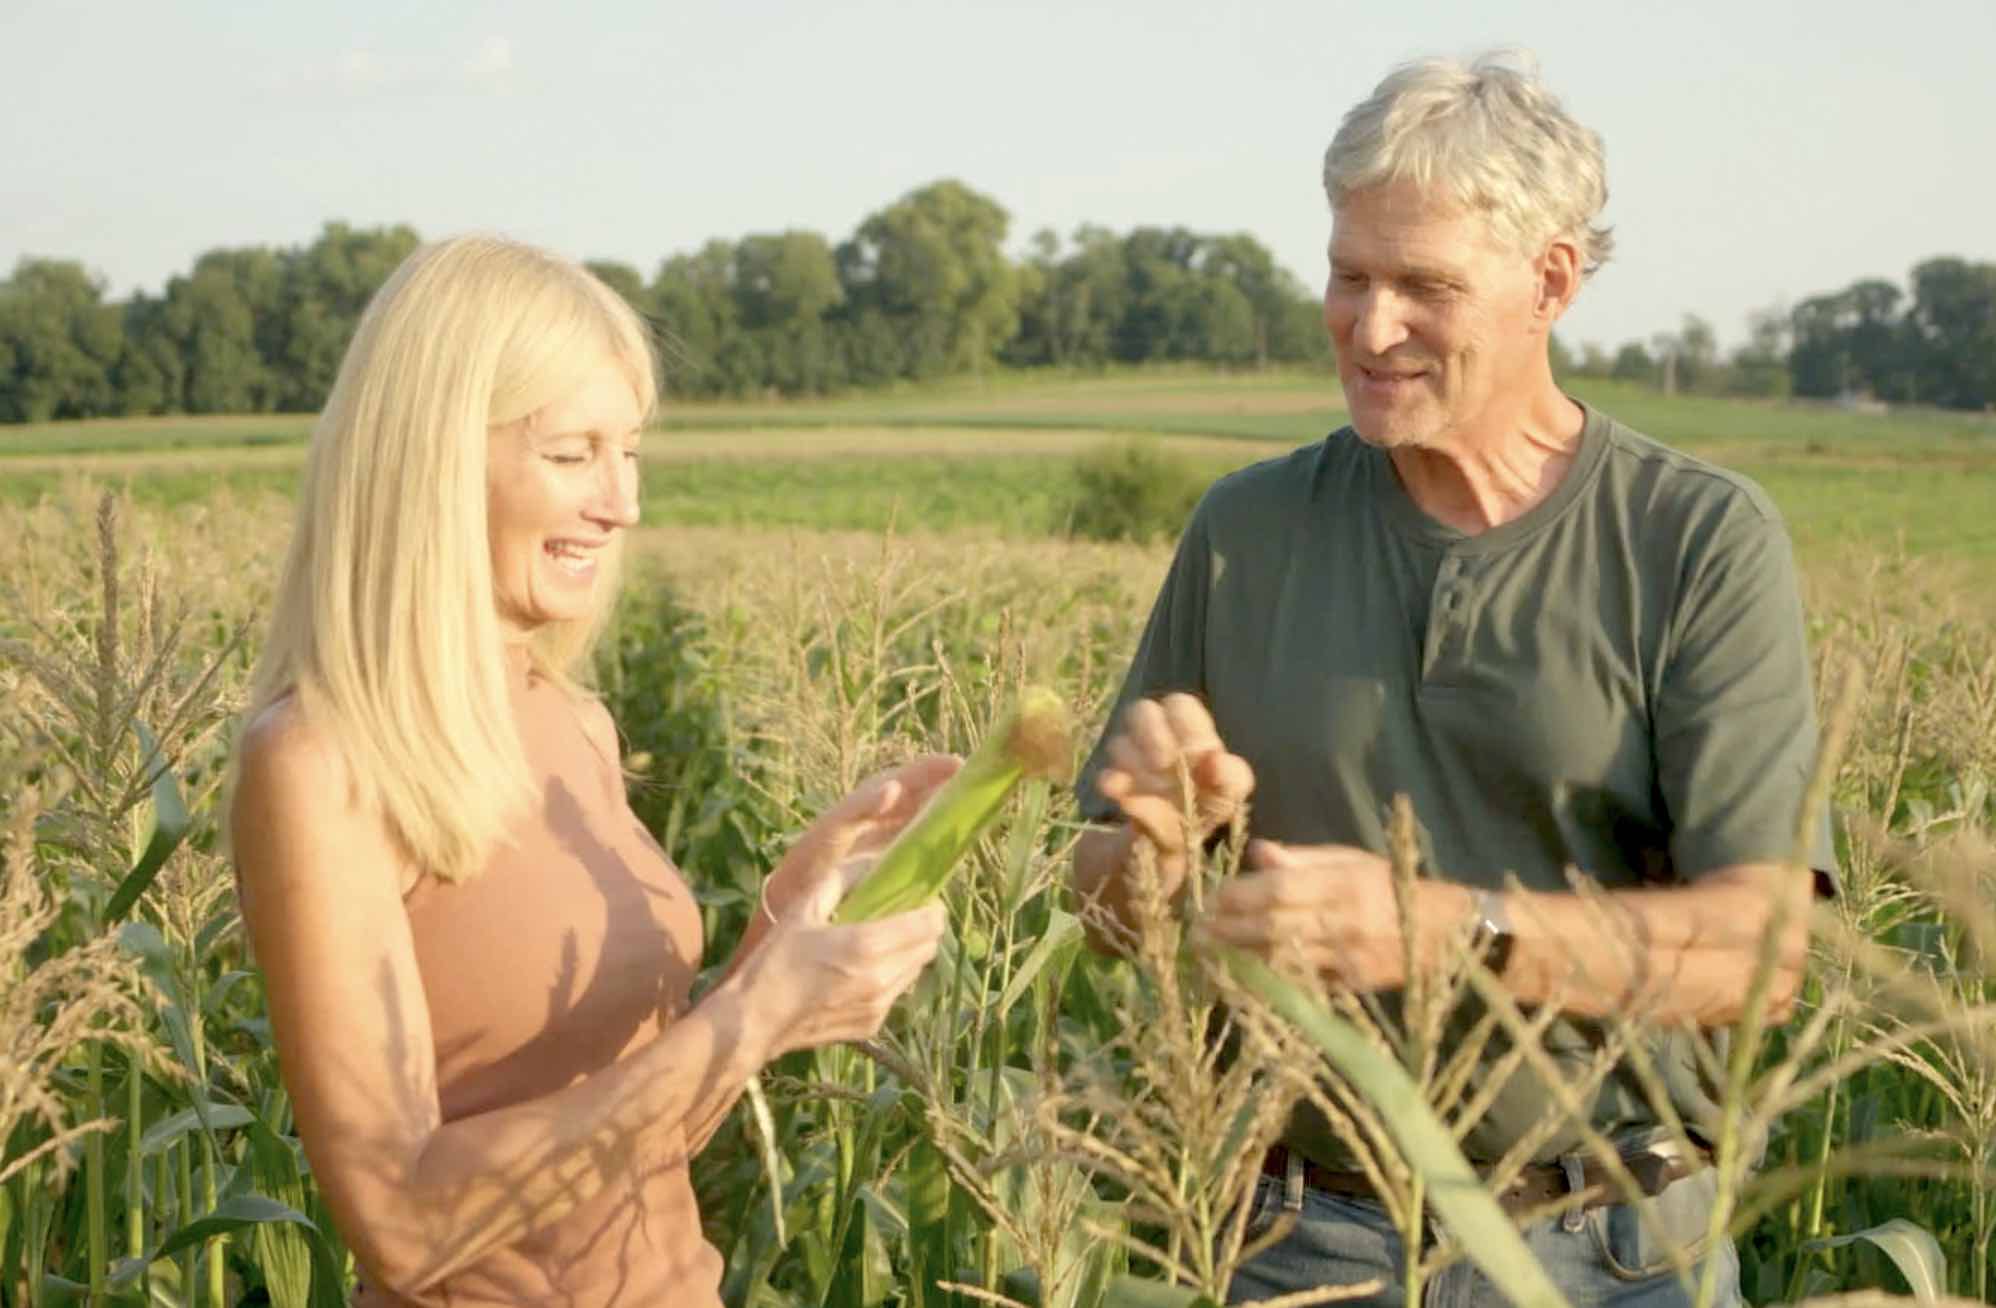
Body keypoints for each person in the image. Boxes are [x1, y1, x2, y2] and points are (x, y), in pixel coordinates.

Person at [1070, 51, 1835, 1308]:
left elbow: (1759, 952)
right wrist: (1152, 856)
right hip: (1290, 1242)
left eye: (1423, 285)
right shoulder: (1246, 530)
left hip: (1609, 1248)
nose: (1370, 329)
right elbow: (1102, 909)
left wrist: (1448, 934)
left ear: (1550, 281)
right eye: (1347, 275)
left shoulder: (1695, 538)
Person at [228, 235, 951, 1308]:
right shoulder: (319, 764)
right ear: (430, 462)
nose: (622, 503)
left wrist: (780, 937)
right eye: (573, 454)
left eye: (632, 452)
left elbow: (650, 1132)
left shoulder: (576, 725)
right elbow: (402, 1226)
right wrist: (753, 1015)